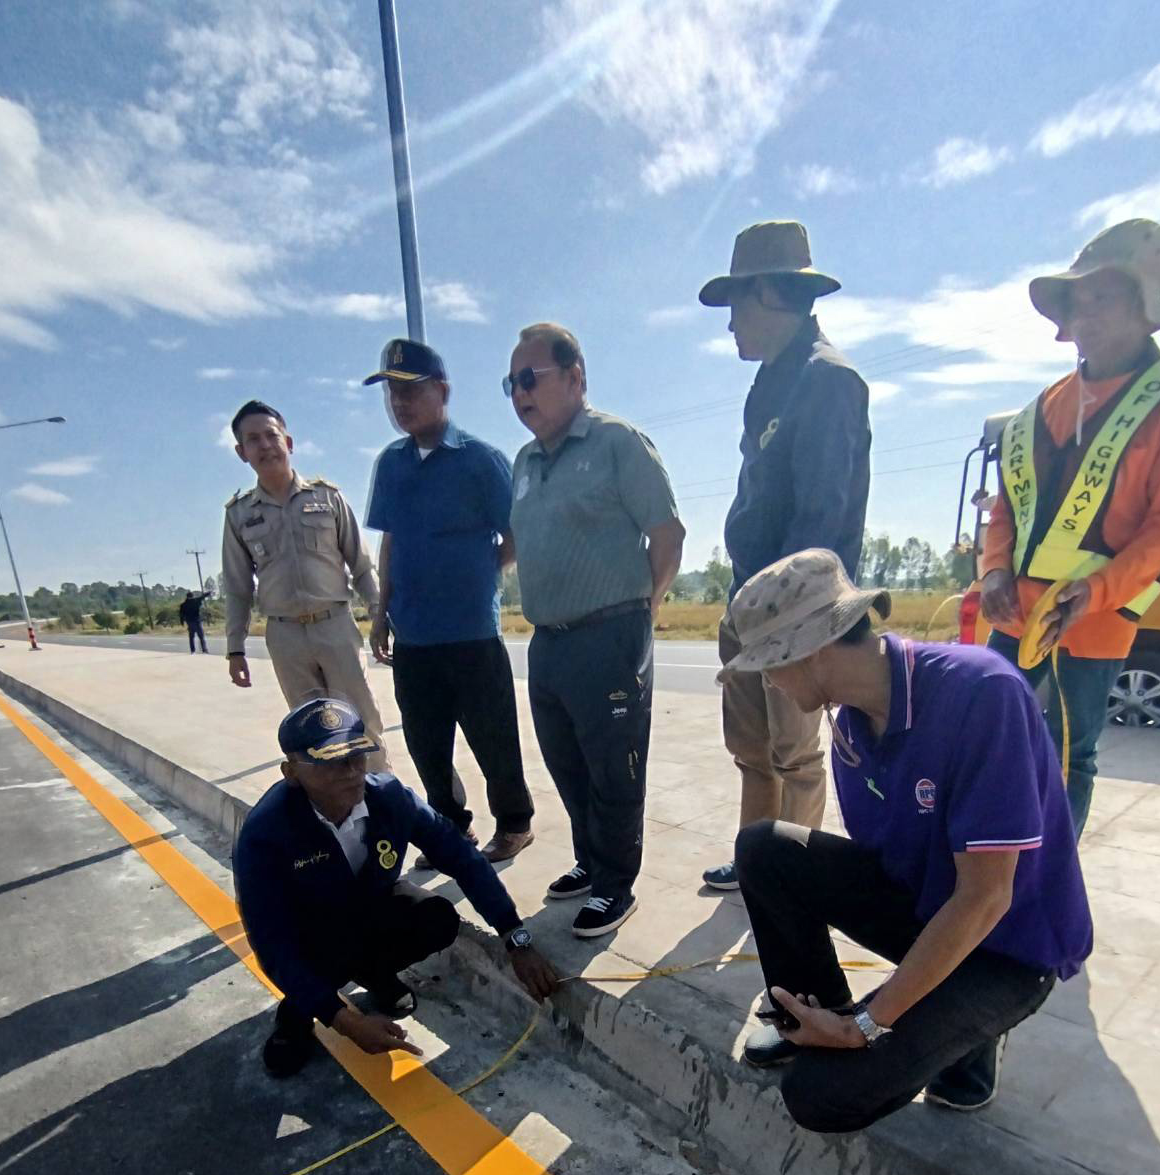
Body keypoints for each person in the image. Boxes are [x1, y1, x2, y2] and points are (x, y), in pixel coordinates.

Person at [723, 549, 1092, 1129]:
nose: (768, 680)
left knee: (819, 1095)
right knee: (765, 848)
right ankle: (815, 1018)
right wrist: (857, 1018)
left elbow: (986, 897)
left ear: (810, 649)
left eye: (770, 664)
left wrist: (868, 1026)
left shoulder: (981, 693)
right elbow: (882, 862)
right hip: (930, 908)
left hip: (1006, 946)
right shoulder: (850, 725)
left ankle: (968, 1032)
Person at [980, 219, 1160, 838]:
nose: (1085, 314)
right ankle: (989, 871)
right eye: (1076, 299)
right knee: (988, 741)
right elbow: (1006, 511)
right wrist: (994, 571)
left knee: (1069, 754)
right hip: (1014, 614)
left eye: (1102, 296)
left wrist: (1097, 591)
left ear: (1143, 308)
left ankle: (1047, 882)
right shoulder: (1040, 408)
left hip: (1094, 617)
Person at [234, 697, 560, 1077]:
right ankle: (299, 1012)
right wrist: (346, 1022)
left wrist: (515, 937)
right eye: (331, 762)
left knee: (435, 919)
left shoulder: (389, 797)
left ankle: (375, 974)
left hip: (367, 907)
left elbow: (462, 858)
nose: (352, 771)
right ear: (291, 773)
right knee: (311, 961)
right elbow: (272, 943)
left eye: (357, 755)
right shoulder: (265, 834)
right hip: (313, 933)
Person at [697, 221, 872, 893]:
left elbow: (821, 517)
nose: (730, 323)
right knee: (752, 751)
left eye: (736, 304)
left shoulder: (828, 380)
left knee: (794, 755)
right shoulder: (770, 382)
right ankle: (756, 861)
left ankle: (793, 881)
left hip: (793, 614)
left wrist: (789, 627)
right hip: (748, 601)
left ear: (771, 293)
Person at [506, 322, 685, 937]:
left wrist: (642, 611)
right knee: (568, 763)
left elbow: (668, 536)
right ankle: (590, 861)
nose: (519, 393)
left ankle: (615, 887)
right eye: (511, 384)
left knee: (615, 770)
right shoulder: (524, 462)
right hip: (549, 642)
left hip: (610, 635)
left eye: (530, 378)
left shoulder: (616, 442)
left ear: (575, 377)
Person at [361, 339, 535, 864]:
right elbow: (389, 541)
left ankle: (515, 824)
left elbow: (516, 532)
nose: (400, 402)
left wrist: (483, 572)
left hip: (471, 633)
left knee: (492, 737)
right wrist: (380, 613)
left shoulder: (481, 460)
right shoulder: (390, 464)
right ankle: (451, 828)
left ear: (443, 391)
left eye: (411, 390)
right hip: (413, 635)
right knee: (426, 744)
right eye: (392, 393)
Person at [221, 400, 391, 772]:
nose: (265, 445)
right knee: (313, 733)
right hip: (286, 638)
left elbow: (362, 566)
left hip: (336, 627)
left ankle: (382, 794)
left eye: (271, 435)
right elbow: (237, 588)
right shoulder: (239, 515)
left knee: (364, 722)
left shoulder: (327, 498)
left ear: (289, 442)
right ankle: (334, 803)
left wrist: (380, 617)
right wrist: (235, 648)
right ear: (241, 452)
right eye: (253, 439)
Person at [178, 588, 208, 654]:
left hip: (190, 622)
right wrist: (208, 593)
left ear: (187, 597)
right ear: (192, 596)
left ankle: (192, 651)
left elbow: (181, 614)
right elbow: (202, 597)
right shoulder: (195, 600)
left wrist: (182, 622)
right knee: (201, 636)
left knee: (191, 637)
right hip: (197, 621)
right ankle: (204, 650)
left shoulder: (183, 605)